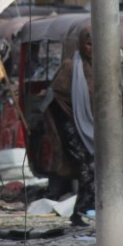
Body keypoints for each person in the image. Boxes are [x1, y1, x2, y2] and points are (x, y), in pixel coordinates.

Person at [49, 28, 97, 227]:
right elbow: (57, 96)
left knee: (98, 170)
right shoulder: (70, 67)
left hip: (96, 127)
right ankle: (80, 212)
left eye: (96, 44)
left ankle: (87, 211)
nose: (92, 49)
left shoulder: (103, 66)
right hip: (74, 127)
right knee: (86, 170)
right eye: (88, 44)